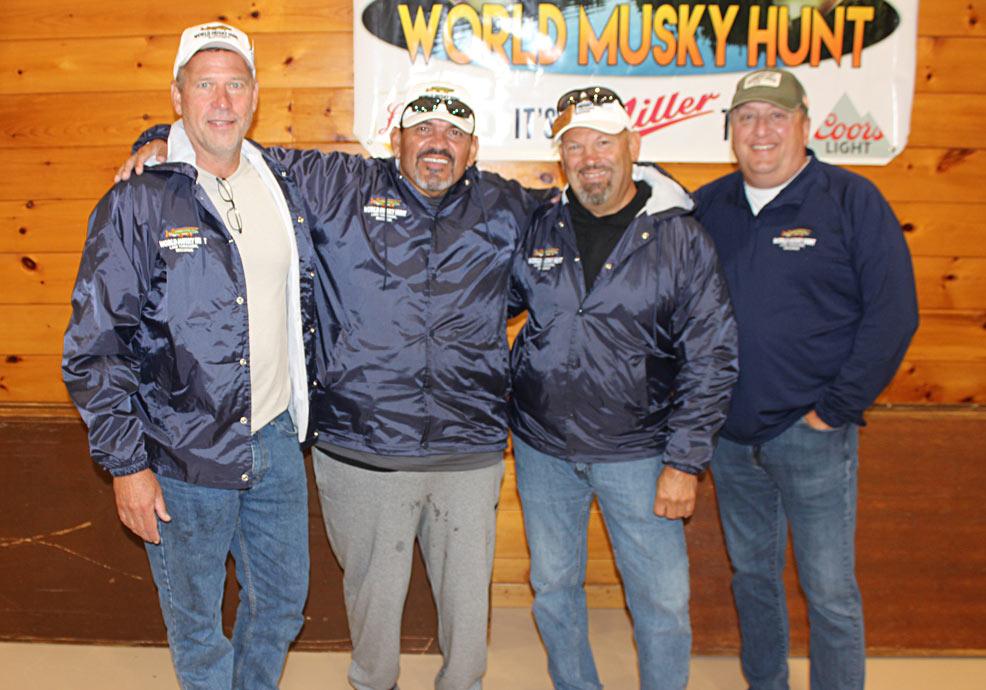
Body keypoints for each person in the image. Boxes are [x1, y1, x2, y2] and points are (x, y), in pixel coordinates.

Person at [121, 82, 542, 690]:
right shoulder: (339, 185)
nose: (438, 143)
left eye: (455, 133)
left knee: (469, 617)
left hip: (467, 452)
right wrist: (161, 138)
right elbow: (235, 145)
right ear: (395, 138)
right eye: (423, 129)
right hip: (361, 450)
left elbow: (584, 213)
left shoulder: (507, 206)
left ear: (473, 149)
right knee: (372, 617)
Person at [63, 22, 318, 690]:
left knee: (282, 604)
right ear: (177, 97)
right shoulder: (138, 199)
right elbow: (94, 347)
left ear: (255, 95)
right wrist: (127, 466)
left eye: (235, 84)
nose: (222, 101)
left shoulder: (282, 182)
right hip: (181, 456)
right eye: (205, 85)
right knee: (198, 626)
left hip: (274, 440)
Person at [693, 68, 919, 690]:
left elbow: (894, 313)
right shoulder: (708, 206)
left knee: (829, 590)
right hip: (730, 437)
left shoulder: (851, 200)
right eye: (746, 117)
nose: (760, 130)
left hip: (812, 434)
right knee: (752, 579)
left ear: (805, 125)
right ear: (730, 131)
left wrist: (835, 409)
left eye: (776, 116)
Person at [508, 87, 739, 690]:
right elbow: (487, 306)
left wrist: (685, 463)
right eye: (575, 145)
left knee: (661, 601)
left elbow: (712, 355)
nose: (589, 158)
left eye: (603, 142)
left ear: (633, 145)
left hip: (640, 453)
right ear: (561, 157)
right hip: (542, 448)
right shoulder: (540, 226)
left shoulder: (680, 237)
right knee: (553, 588)